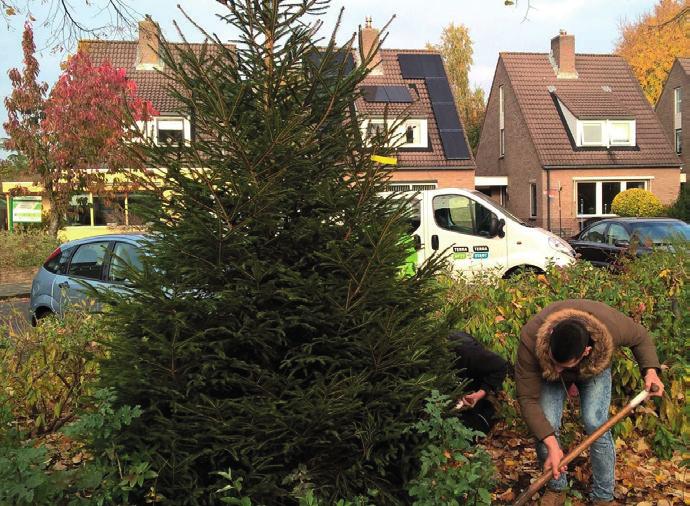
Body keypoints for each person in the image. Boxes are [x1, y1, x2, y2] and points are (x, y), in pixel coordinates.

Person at [515, 299, 664, 506]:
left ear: (585, 351)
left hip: (593, 368)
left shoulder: (610, 326)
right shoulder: (532, 338)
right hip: (544, 369)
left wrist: (651, 372)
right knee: (546, 424)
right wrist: (551, 444)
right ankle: (556, 488)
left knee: (596, 422)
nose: (559, 370)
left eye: (564, 365)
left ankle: (603, 496)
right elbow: (527, 399)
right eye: (555, 362)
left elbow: (641, 337)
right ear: (549, 339)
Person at [448, 331, 509, 435]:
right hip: (453, 386)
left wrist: (480, 393)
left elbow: (500, 366)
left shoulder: (467, 351)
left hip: (473, 389)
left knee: (471, 429)